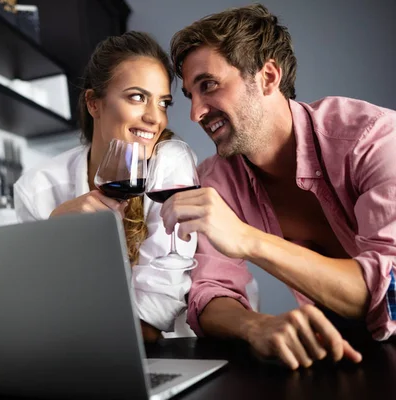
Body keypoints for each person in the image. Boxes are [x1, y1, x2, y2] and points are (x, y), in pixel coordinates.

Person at [162, 3, 396, 369]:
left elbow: (388, 293)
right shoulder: (217, 179)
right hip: (346, 349)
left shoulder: (374, 139)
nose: (195, 113)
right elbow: (209, 293)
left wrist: (248, 239)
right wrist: (255, 325)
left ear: (269, 76)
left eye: (209, 86)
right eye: (191, 95)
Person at [14, 31, 258, 341]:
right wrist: (53, 237)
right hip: (76, 352)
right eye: (137, 97)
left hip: (170, 351)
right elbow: (31, 303)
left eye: (163, 103)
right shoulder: (37, 188)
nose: (155, 118)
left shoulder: (170, 167)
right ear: (94, 103)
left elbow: (158, 303)